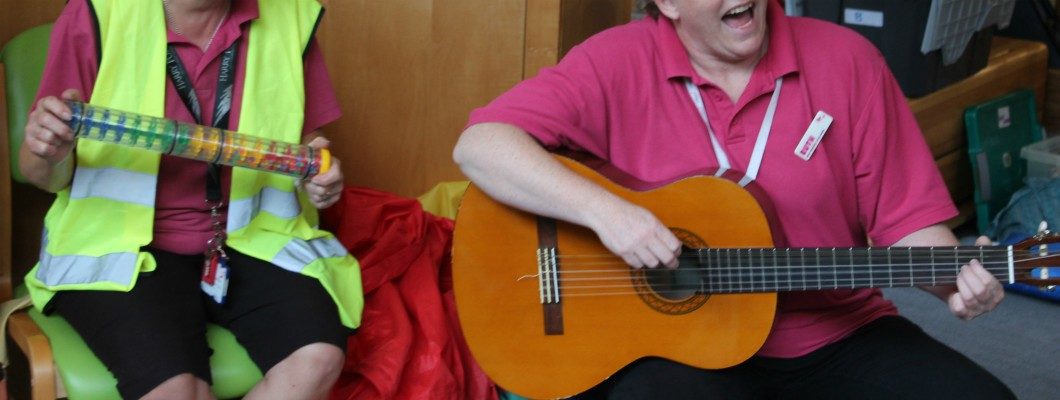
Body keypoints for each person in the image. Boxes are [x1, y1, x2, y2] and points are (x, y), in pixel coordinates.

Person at [452, 0, 1015, 398]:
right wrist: (610, 215)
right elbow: (481, 146)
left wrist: (958, 280)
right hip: (677, 352)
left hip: (840, 333)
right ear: (667, 2)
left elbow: (908, 219)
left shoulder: (849, 60)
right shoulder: (612, 61)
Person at [19, 0, 362, 398]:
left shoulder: (292, 15)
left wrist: (318, 171)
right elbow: (40, 173)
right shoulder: (98, 11)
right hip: (120, 246)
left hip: (249, 237)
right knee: (179, 389)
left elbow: (307, 139)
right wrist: (51, 151)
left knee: (317, 357)